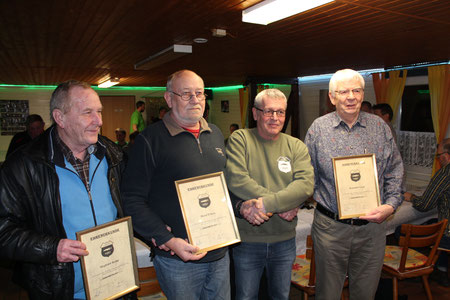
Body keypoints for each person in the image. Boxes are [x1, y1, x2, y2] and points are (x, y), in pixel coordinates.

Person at [0, 80, 128, 299]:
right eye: (87, 112)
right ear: (60, 118)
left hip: (115, 281)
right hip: (59, 288)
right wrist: (51, 248)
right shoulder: (24, 165)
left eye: (99, 111)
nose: (99, 121)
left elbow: (129, 203)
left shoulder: (112, 154)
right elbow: (4, 231)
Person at [121, 70, 230, 300]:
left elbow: (224, 187)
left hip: (220, 253)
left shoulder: (216, 134)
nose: (195, 99)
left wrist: (243, 206)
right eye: (186, 94)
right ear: (169, 98)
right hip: (178, 259)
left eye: (200, 93)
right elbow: (131, 199)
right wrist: (165, 238)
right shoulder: (149, 140)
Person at [305, 69, 404, 300]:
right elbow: (306, 176)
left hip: (372, 230)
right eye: (344, 91)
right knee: (327, 294)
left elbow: (395, 171)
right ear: (332, 97)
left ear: (362, 94)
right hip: (330, 229)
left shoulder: (380, 128)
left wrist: (390, 206)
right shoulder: (318, 129)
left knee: (365, 294)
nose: (350, 96)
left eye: (356, 90)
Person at [225, 88, 314, 299]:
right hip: (247, 240)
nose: (275, 117)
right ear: (256, 114)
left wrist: (267, 204)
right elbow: (238, 180)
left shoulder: (296, 146)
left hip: (284, 241)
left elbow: (305, 186)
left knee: (281, 296)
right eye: (269, 111)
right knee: (245, 297)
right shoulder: (241, 139)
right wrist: (283, 203)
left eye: (280, 112)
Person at [404, 138, 450, 287]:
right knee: (430, 222)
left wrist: (411, 197)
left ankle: (418, 269)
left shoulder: (444, 173)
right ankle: (441, 268)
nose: (438, 159)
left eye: (439, 155)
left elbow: (424, 205)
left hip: (448, 235)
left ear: (447, 155)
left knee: (401, 231)